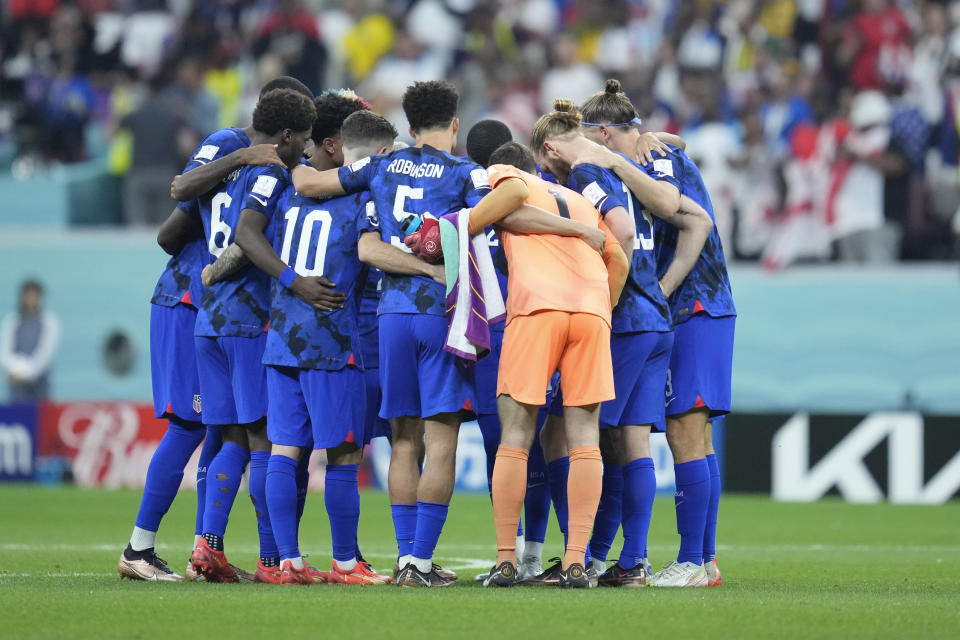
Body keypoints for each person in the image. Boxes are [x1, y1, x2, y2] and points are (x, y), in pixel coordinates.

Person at [117, 77, 318, 584]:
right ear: (286, 131)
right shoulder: (233, 146)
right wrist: (242, 162)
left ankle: (207, 547)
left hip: (207, 307)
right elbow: (175, 212)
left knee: (220, 430)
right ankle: (140, 547)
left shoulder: (265, 165)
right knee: (198, 426)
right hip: (192, 300)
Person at [291, 80, 489, 588]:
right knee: (440, 438)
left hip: (391, 319)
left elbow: (311, 185)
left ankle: (404, 560)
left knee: (403, 440)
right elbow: (500, 209)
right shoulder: (465, 173)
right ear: (454, 124)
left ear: (407, 123)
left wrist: (274, 153)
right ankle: (420, 562)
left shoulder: (379, 165)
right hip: (442, 316)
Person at [233, 109, 425, 586]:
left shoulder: (290, 196)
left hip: (280, 337)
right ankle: (344, 563)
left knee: (284, 451)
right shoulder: (363, 197)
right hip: (332, 337)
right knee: (342, 454)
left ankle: (287, 562)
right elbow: (370, 251)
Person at [577, 89, 737, 588]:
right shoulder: (654, 153)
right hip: (703, 307)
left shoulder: (649, 164)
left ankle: (692, 560)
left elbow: (697, 223)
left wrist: (662, 291)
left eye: (587, 141)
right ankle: (703, 560)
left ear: (603, 135)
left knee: (685, 432)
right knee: (694, 435)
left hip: (692, 306)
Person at [479, 135, 628, 589]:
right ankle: (577, 563)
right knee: (584, 437)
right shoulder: (581, 200)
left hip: (537, 309)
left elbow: (506, 204)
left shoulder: (506, 174)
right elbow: (618, 257)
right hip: (590, 309)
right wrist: (603, 308)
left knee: (518, 434)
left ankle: (507, 561)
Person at [187, 88, 316, 584]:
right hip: (247, 318)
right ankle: (271, 560)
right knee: (265, 438)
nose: (305, 149)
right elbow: (248, 235)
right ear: (285, 135)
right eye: (301, 139)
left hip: (209, 321)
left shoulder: (228, 170)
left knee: (232, 439)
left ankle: (208, 545)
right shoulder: (269, 173)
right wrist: (290, 279)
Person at [1, 280, 59, 403]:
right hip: (16, 383)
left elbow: (46, 351)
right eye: (28, 296)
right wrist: (13, 369)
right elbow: (5, 349)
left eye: (34, 296)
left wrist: (28, 373)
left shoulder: (49, 321)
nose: (30, 300)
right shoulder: (12, 321)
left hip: (40, 384)